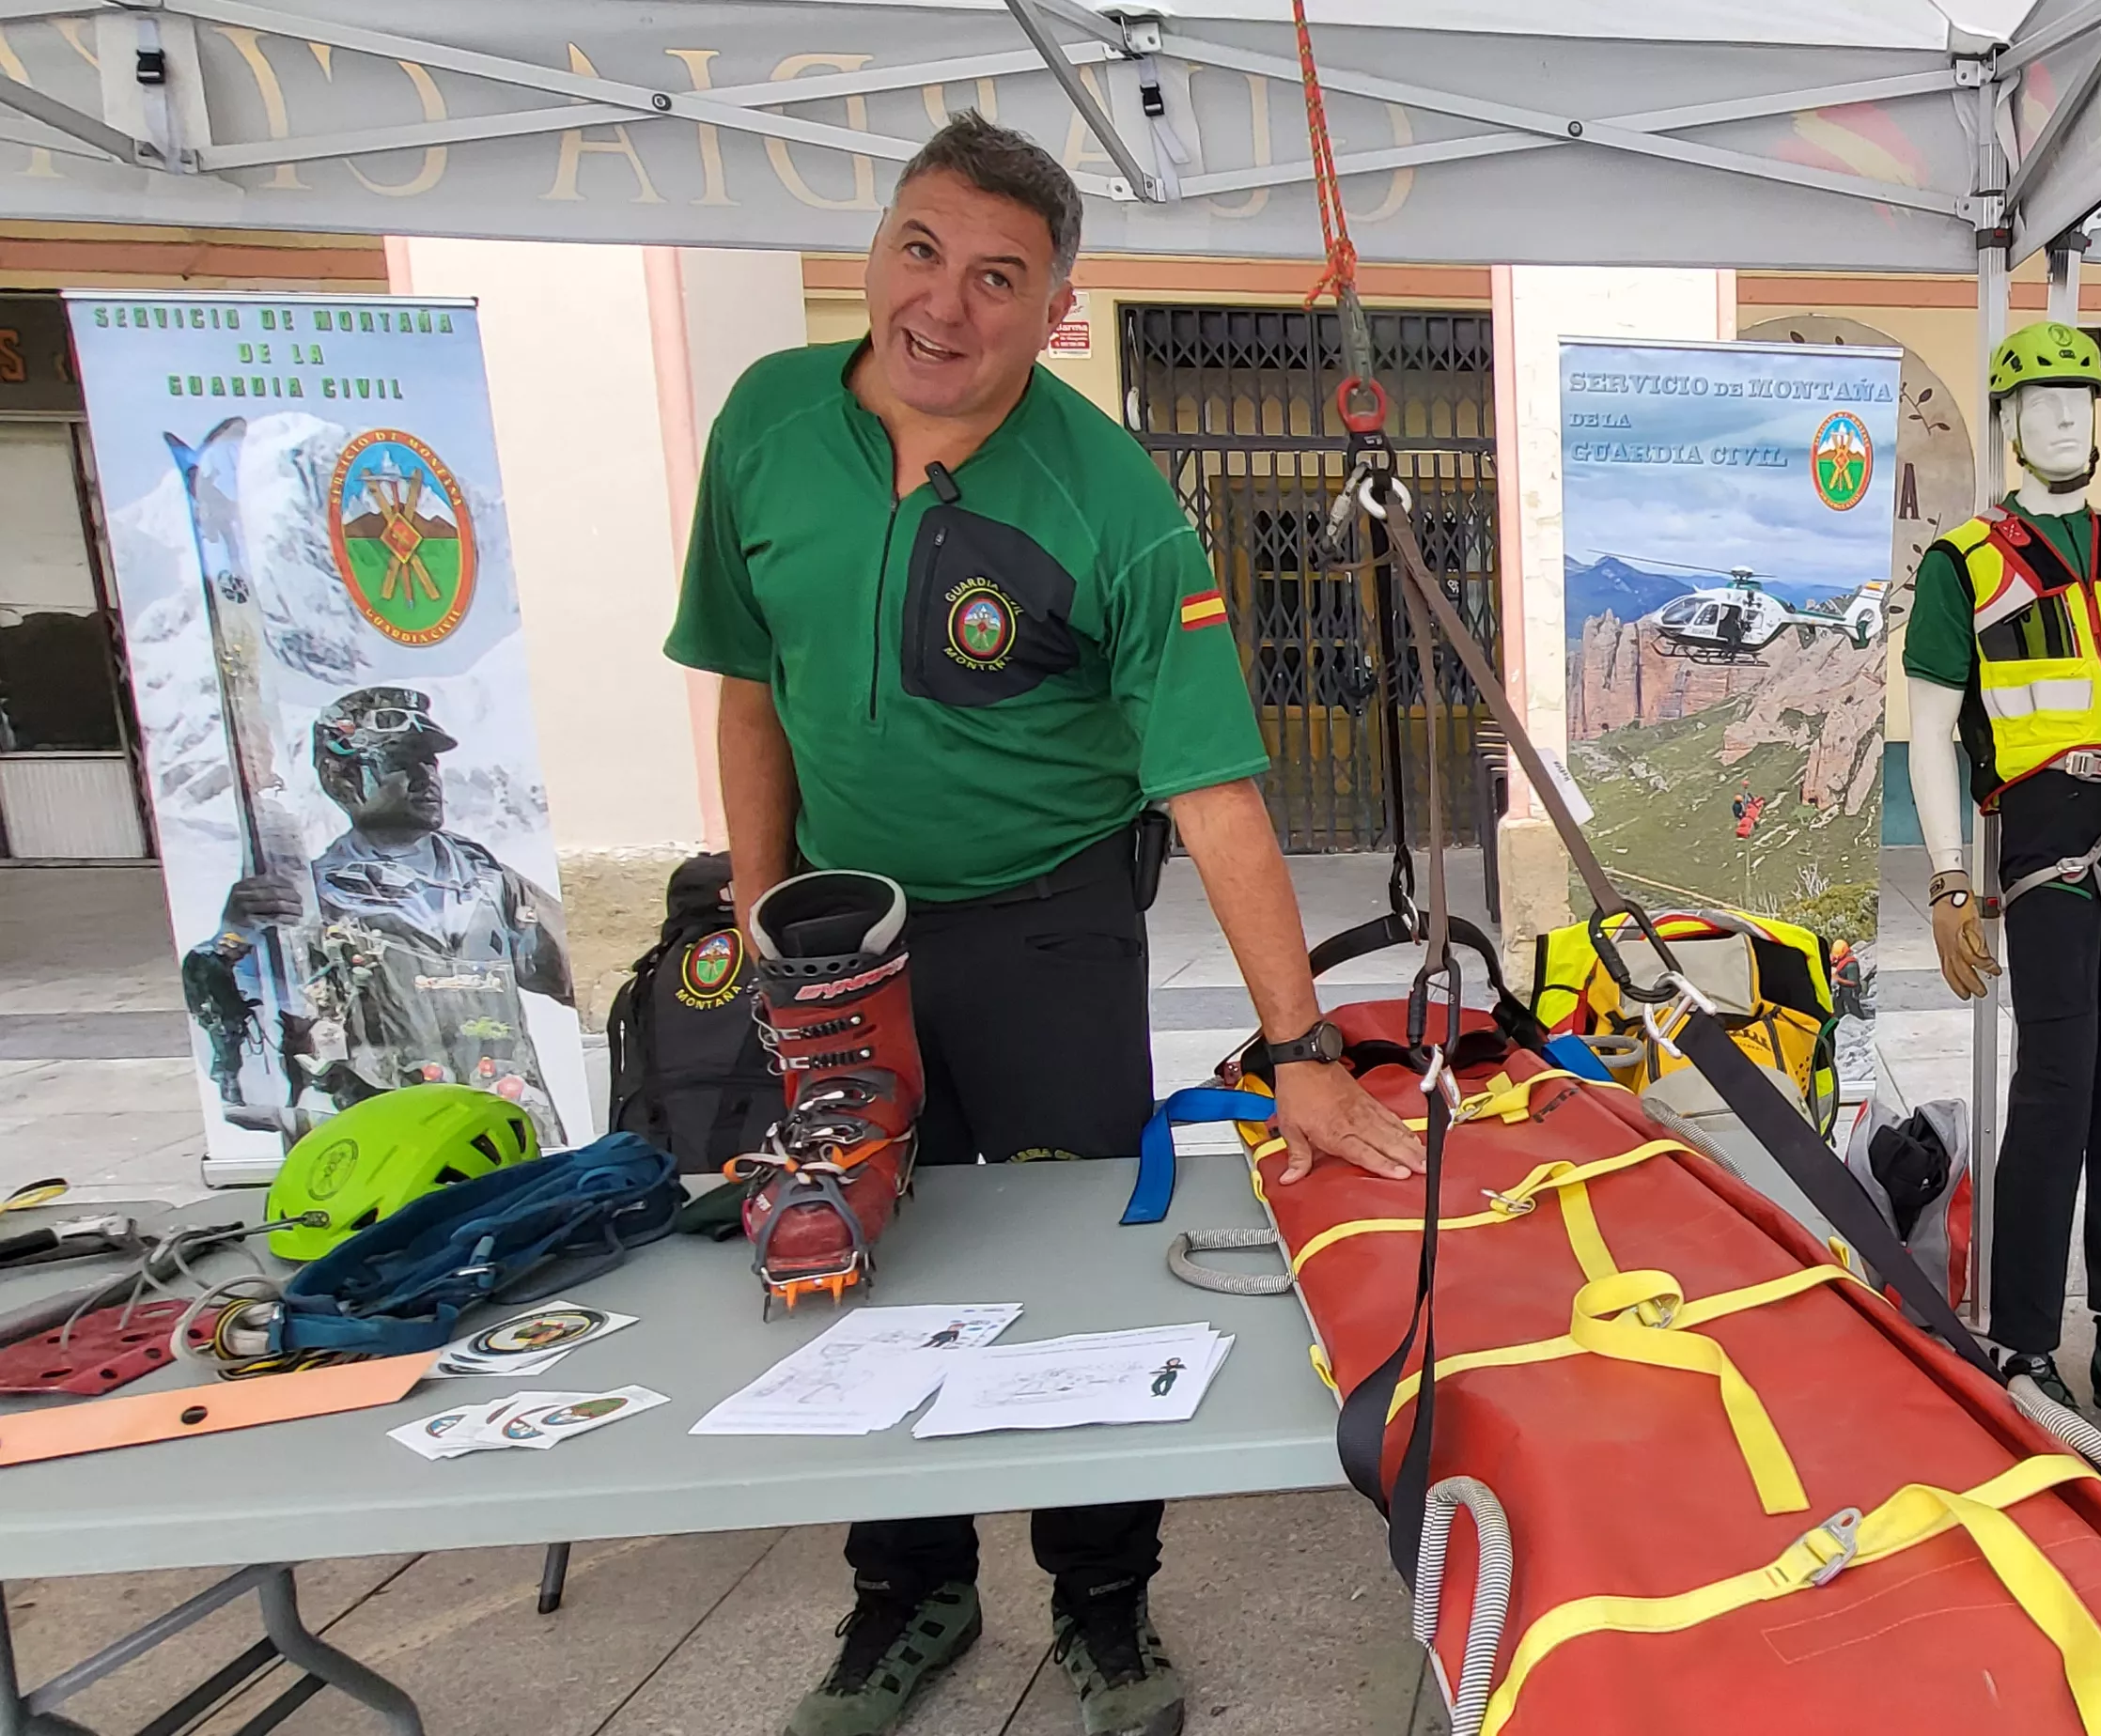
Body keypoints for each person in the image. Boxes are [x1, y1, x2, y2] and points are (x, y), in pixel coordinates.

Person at [662, 114, 1423, 1736]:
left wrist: (1305, 1056)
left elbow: (1218, 793)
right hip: (837, 935)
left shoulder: (1111, 499)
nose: (945, 302)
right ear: (876, 248)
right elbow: (747, 683)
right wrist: (754, 880)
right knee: (855, 1249)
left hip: (1052, 924)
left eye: (999, 276)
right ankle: (906, 1593)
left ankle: (1103, 1600)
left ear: (1057, 308)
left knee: (1084, 1257)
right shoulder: (764, 422)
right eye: (921, 250)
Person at [1899, 321, 2101, 1439]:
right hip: (2048, 826)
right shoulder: (1963, 566)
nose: (2062, 422)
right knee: (2056, 1084)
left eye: (2078, 402)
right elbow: (1931, 732)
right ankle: (2026, 1345)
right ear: (2004, 425)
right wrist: (1949, 882)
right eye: (2039, 406)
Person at [193, 686, 573, 1136]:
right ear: (341, 778)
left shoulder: (489, 882)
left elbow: (575, 976)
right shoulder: (309, 899)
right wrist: (232, 939)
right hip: (386, 1135)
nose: (425, 777)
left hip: (510, 1130)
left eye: (428, 761)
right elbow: (240, 1019)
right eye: (400, 763)